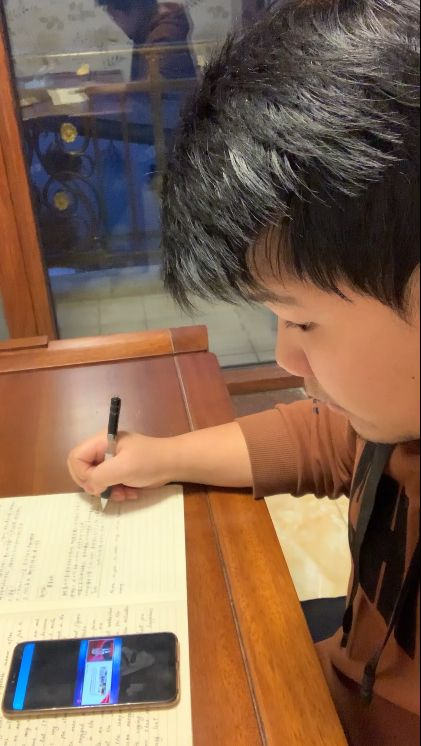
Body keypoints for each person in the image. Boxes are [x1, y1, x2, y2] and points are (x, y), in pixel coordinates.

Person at [68, 1, 420, 744]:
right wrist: (162, 455)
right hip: (332, 685)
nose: (285, 358)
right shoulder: (395, 420)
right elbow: (331, 439)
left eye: (302, 321)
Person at [96, 0, 196, 79]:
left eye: (115, 16)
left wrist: (100, 91)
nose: (117, 24)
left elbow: (151, 95)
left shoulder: (162, 41)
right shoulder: (146, 30)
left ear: (136, 9)